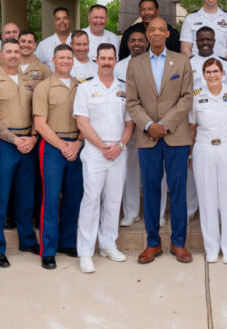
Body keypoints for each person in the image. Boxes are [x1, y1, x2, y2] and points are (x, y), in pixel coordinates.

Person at [126, 17, 194, 264]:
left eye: (160, 29)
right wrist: (149, 125)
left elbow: (186, 98)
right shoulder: (135, 65)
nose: (155, 33)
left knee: (177, 191)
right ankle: (152, 243)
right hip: (147, 137)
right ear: (146, 33)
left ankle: (178, 243)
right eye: (151, 29)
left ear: (167, 33)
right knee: (151, 191)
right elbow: (132, 102)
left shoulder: (182, 61)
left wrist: (164, 125)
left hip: (176, 136)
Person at [0, 38, 43, 268]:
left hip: (28, 143)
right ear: (1, 55)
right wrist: (16, 140)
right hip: (5, 144)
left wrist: (33, 138)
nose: (14, 55)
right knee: (1, 198)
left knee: (26, 196)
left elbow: (38, 112)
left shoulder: (30, 81)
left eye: (17, 51)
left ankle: (27, 241)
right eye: (9, 51)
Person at [73, 44, 135, 273]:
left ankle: (108, 244)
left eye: (110, 58)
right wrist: (102, 146)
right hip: (94, 151)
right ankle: (86, 251)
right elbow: (82, 122)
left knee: (113, 199)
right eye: (103, 58)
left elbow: (130, 123)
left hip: (119, 151)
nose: (107, 62)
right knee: (91, 200)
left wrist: (119, 146)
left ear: (116, 60)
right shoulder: (86, 88)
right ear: (96, 60)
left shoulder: (124, 88)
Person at [33, 44, 85, 270]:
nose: (65, 61)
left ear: (73, 61)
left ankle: (67, 242)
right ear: (53, 61)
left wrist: (78, 143)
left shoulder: (82, 86)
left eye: (68, 57)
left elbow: (87, 118)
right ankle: (48, 249)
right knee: (51, 199)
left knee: (74, 198)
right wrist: (64, 146)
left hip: (77, 145)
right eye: (61, 57)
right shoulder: (43, 87)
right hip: (53, 147)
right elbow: (39, 124)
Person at [189, 58, 227, 264]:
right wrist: (191, 154)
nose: (212, 75)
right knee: (207, 200)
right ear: (203, 74)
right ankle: (211, 247)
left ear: (223, 73)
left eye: (215, 71)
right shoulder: (197, 96)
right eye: (208, 72)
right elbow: (192, 127)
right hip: (204, 148)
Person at [116, 31, 148, 227]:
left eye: (141, 40)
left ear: (147, 42)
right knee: (129, 168)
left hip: (150, 123)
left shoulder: (155, 63)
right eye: (133, 41)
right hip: (126, 123)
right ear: (127, 44)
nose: (137, 44)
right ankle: (131, 211)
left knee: (154, 170)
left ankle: (159, 213)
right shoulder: (119, 67)